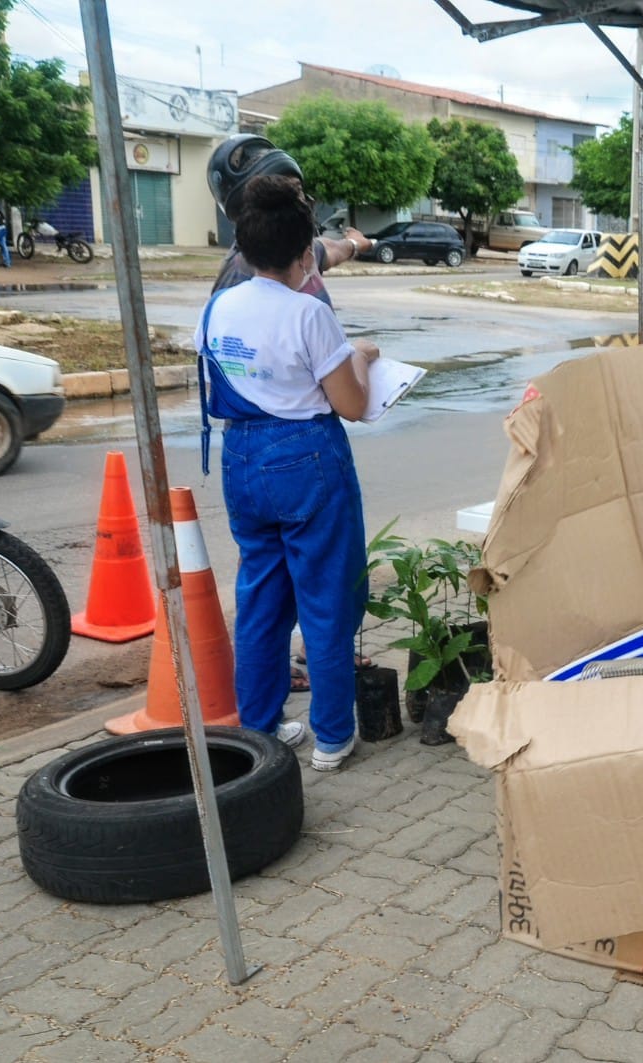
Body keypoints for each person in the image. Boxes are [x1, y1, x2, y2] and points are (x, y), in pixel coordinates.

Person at [195, 174, 377, 773]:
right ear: (305, 256)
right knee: (325, 599)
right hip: (306, 457)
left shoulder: (219, 305)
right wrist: (362, 360)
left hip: (241, 457)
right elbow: (350, 405)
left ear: (243, 251)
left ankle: (263, 726)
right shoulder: (307, 313)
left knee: (262, 599)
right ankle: (331, 738)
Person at [207, 134, 372, 308]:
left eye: (298, 190)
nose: (299, 203)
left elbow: (331, 249)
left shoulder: (300, 247)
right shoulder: (238, 275)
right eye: (281, 199)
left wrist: (355, 243)